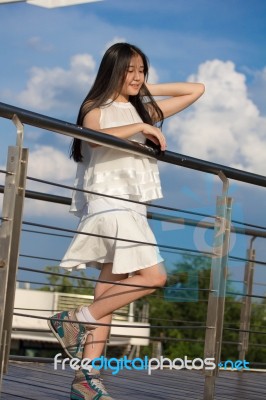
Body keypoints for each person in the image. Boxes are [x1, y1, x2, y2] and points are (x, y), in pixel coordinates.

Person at [48, 42, 205, 399]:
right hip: (110, 206)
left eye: (141, 70)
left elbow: (196, 90)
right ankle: (74, 320)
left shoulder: (142, 109)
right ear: (111, 72)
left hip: (132, 209)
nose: (136, 77)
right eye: (129, 70)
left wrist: (143, 95)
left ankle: (86, 381)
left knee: (109, 295)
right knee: (155, 277)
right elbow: (98, 140)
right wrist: (142, 127)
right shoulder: (95, 108)